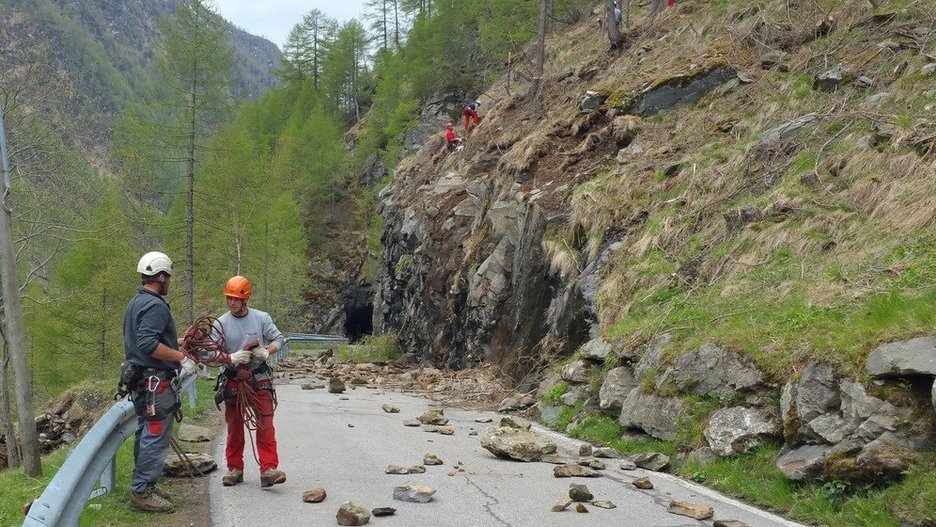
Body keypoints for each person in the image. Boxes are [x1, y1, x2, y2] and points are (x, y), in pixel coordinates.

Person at [123, 251, 196, 513]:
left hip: (142, 382)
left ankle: (145, 484)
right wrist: (179, 356)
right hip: (156, 383)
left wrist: (173, 343)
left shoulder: (136, 302)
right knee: (155, 436)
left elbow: (142, 341)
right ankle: (141, 491)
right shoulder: (155, 306)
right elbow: (147, 343)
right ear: (161, 277)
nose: (170, 283)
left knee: (145, 433)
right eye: (169, 278)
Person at [214, 275, 287, 488]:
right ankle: (234, 468)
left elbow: (279, 339)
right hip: (234, 378)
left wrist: (267, 351)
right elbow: (209, 352)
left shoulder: (261, 318)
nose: (232, 302)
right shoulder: (221, 324)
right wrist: (230, 358)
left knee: (265, 423)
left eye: (236, 299)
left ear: (246, 299)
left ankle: (268, 469)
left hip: (259, 377)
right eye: (229, 298)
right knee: (235, 425)